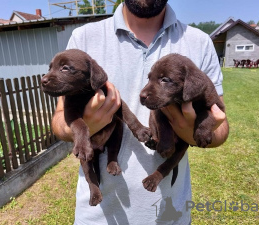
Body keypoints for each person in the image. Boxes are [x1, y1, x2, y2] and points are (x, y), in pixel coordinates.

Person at [52, 0, 229, 224]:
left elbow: (220, 124)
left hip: (168, 213)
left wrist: (190, 130)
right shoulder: (84, 38)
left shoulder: (199, 41)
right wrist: (84, 127)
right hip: (99, 217)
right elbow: (60, 118)